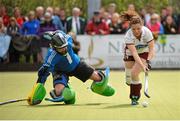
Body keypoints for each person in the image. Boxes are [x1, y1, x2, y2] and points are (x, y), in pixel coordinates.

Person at [27, 30, 115, 105]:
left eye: (64, 46)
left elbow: (63, 33)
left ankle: (99, 89)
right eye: (60, 48)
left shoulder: (68, 40)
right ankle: (69, 91)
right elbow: (44, 72)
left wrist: (54, 33)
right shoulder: (51, 57)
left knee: (99, 78)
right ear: (54, 47)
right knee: (59, 93)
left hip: (77, 65)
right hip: (60, 71)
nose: (64, 49)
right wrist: (39, 86)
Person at [121, 11, 155, 105]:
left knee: (134, 73)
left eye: (138, 28)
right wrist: (143, 66)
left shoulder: (147, 32)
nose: (136, 31)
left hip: (144, 52)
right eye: (133, 29)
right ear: (130, 28)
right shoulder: (128, 36)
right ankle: (135, 84)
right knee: (129, 78)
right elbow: (134, 53)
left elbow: (152, 49)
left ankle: (134, 97)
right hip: (130, 53)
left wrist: (147, 61)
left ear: (142, 26)